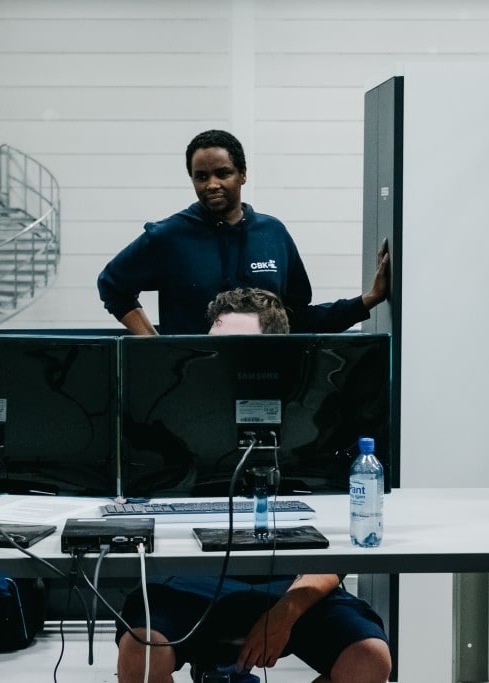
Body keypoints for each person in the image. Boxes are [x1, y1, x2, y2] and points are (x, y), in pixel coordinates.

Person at [114, 287, 392, 683]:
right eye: (214, 348)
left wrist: (290, 608)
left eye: (237, 348)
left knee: (368, 658)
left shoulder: (315, 418)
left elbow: (349, 536)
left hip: (292, 581)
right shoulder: (174, 414)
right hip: (191, 580)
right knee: (140, 656)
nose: (220, 360)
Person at [97, 129, 389, 335]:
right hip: (192, 385)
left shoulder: (273, 233)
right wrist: (151, 344)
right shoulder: (167, 237)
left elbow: (300, 319)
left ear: (243, 174)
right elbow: (112, 285)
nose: (211, 184)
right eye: (201, 177)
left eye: (222, 173)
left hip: (267, 381)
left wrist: (369, 299)